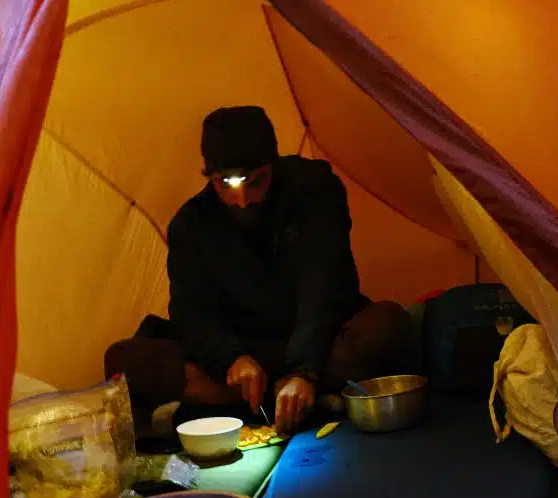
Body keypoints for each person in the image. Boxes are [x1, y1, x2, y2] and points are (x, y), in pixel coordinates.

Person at [105, 105, 412, 434]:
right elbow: (191, 311)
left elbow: (324, 287)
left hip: (319, 342)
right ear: (210, 178)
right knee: (125, 361)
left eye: (255, 183)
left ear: (272, 167)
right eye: (225, 185)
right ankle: (295, 397)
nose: (242, 200)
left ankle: (279, 395)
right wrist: (230, 358)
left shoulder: (314, 191)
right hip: (246, 357)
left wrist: (303, 370)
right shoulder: (191, 225)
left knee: (386, 326)